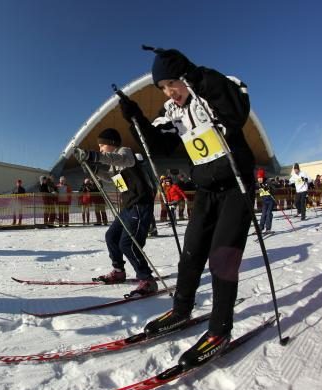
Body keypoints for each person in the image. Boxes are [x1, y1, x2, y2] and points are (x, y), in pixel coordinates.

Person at [118, 48, 254, 367]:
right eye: (162, 88)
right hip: (206, 189)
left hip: (236, 185)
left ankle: (220, 329)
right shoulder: (171, 110)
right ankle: (181, 310)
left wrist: (196, 76)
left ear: (184, 76)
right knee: (191, 253)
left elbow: (236, 112)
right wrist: (136, 116)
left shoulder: (216, 86)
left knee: (222, 257)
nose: (168, 93)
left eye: (171, 84)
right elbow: (160, 145)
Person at [74, 128, 157, 297]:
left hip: (140, 205)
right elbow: (113, 180)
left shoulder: (124, 153)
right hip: (127, 207)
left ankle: (147, 279)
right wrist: (94, 169)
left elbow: (121, 160)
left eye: (102, 145)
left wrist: (93, 156)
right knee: (111, 236)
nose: (100, 149)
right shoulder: (115, 164)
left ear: (111, 143)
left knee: (128, 244)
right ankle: (118, 271)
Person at [256, 168, 275, 233]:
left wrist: (268, 188)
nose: (259, 179)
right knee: (263, 214)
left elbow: (274, 189)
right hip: (264, 201)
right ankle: (260, 228)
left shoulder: (268, 181)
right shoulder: (258, 184)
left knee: (268, 213)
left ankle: (268, 228)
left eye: (261, 178)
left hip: (270, 201)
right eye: (258, 178)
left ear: (263, 177)